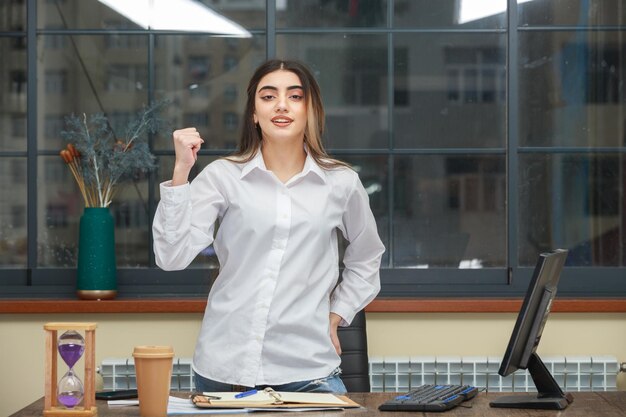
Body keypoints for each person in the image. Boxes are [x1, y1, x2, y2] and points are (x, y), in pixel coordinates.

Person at [152, 59, 385, 394]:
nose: (281, 105)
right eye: (268, 96)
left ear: (310, 110)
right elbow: (170, 257)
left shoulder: (341, 183)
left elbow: (367, 256)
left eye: (294, 96)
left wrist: (338, 314)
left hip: (309, 372)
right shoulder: (223, 176)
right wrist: (181, 172)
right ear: (253, 113)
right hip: (225, 369)